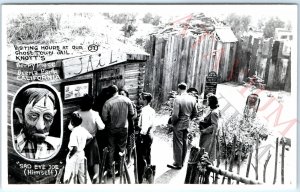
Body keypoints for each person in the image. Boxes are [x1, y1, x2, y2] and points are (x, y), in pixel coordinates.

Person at [14, 87, 60, 160]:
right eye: (33, 115)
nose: (40, 126)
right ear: (20, 116)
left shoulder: (59, 146)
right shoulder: (10, 147)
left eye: (48, 117)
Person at [102, 85, 135, 176]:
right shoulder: (127, 100)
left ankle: (111, 170)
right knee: (122, 148)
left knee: (111, 148)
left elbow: (104, 118)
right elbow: (132, 114)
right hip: (124, 128)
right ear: (117, 91)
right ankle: (121, 169)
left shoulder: (107, 103)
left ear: (110, 93)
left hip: (112, 129)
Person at [167, 83, 198, 169]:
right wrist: (188, 119)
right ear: (186, 88)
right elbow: (195, 113)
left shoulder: (178, 98)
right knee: (184, 142)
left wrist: (172, 123)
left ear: (179, 89)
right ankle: (182, 162)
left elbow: (175, 115)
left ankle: (177, 163)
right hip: (187, 123)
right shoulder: (193, 98)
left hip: (179, 123)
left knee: (178, 143)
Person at [76, 94, 105, 183]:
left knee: (82, 159)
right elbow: (101, 127)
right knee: (95, 159)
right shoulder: (95, 114)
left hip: (80, 141)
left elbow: (70, 127)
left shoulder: (76, 113)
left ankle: (84, 178)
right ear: (91, 103)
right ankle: (97, 177)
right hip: (92, 139)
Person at [64, 112, 92, 184]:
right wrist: (83, 146)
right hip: (81, 153)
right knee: (83, 173)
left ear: (72, 122)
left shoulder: (74, 133)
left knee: (70, 173)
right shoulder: (82, 129)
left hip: (74, 155)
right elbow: (90, 137)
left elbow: (75, 148)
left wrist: (70, 155)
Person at [137, 92, 155, 183]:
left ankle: (141, 177)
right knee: (147, 154)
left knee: (141, 157)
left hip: (145, 135)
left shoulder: (145, 111)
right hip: (150, 134)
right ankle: (148, 174)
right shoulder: (151, 110)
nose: (139, 100)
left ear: (144, 100)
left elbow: (144, 126)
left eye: (140, 98)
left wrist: (141, 135)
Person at [199, 95, 220, 161]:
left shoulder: (214, 112)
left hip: (209, 136)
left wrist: (205, 130)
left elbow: (214, 126)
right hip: (207, 135)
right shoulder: (212, 110)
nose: (207, 102)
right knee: (205, 153)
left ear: (211, 102)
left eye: (208, 100)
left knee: (206, 154)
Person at [119, 88, 137, 165]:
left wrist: (126, 118)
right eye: (120, 94)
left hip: (129, 126)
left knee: (130, 144)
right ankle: (122, 161)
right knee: (123, 144)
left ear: (126, 95)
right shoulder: (119, 104)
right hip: (122, 126)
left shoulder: (131, 103)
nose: (121, 95)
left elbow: (134, 116)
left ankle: (129, 160)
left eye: (122, 94)